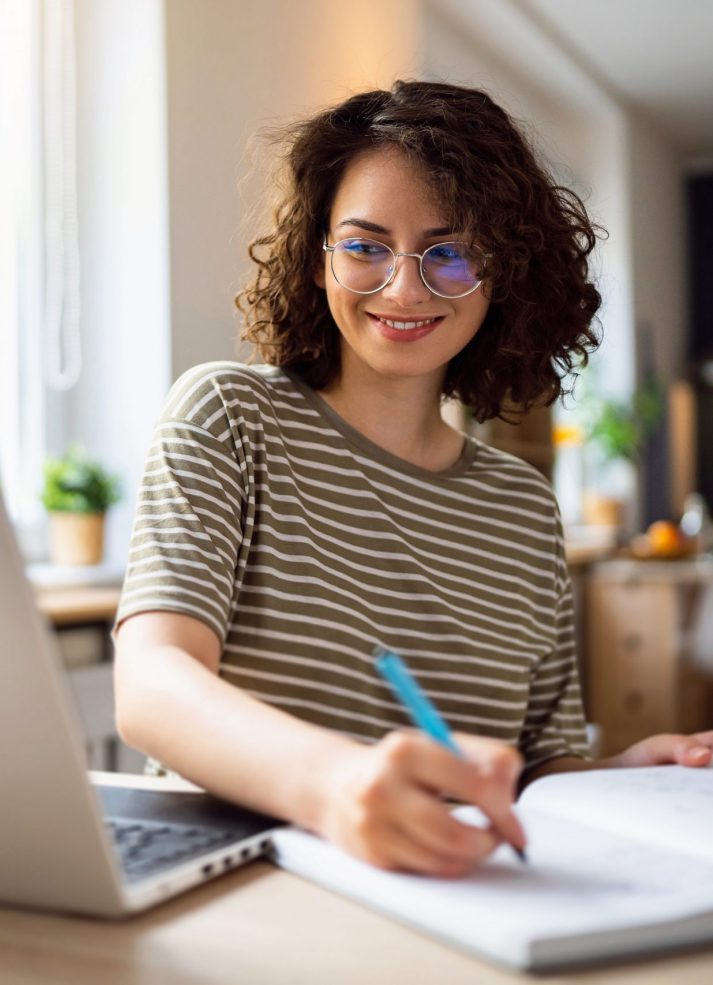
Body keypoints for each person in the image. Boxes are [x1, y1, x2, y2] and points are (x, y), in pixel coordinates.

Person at [113, 80, 713, 877]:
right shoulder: (229, 415)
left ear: (503, 271)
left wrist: (622, 775)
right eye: (364, 246)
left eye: (449, 252)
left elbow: (536, 771)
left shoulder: (523, 509)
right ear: (316, 257)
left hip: (449, 886)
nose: (403, 288)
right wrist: (334, 784)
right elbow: (153, 685)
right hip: (244, 882)